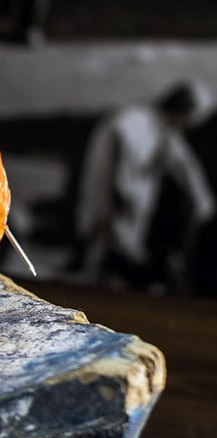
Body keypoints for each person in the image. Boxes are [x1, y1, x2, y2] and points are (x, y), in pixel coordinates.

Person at [75, 80, 215, 292]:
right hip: (110, 213)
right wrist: (122, 196)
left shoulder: (161, 128)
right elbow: (119, 167)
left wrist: (201, 198)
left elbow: (184, 165)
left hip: (127, 218)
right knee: (99, 269)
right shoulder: (134, 122)